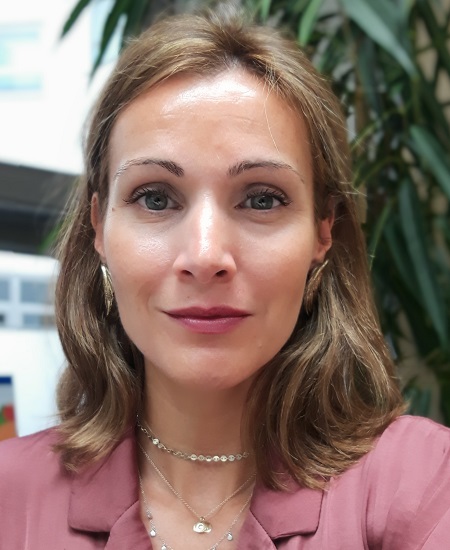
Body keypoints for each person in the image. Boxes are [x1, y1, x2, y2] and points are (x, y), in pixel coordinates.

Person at [1, 7, 450, 550]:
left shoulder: (424, 484)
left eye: (261, 199)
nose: (206, 255)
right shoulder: (9, 497)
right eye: (155, 198)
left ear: (323, 231)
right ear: (99, 227)